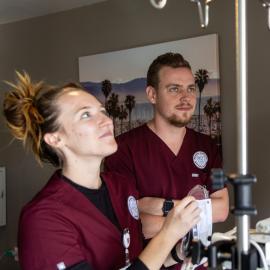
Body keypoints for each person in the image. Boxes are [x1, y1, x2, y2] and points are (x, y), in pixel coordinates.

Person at [3, 72, 201, 270]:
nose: (107, 121)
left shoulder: (122, 187)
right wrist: (168, 234)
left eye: (103, 111)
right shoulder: (43, 219)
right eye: (86, 115)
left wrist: (176, 254)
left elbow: (137, 262)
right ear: (55, 139)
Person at [104, 53, 229, 265]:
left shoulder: (208, 146)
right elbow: (131, 223)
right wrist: (196, 214)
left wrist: (161, 206)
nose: (186, 97)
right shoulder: (123, 149)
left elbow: (222, 209)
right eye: (174, 89)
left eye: (190, 88)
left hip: (195, 264)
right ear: (152, 95)